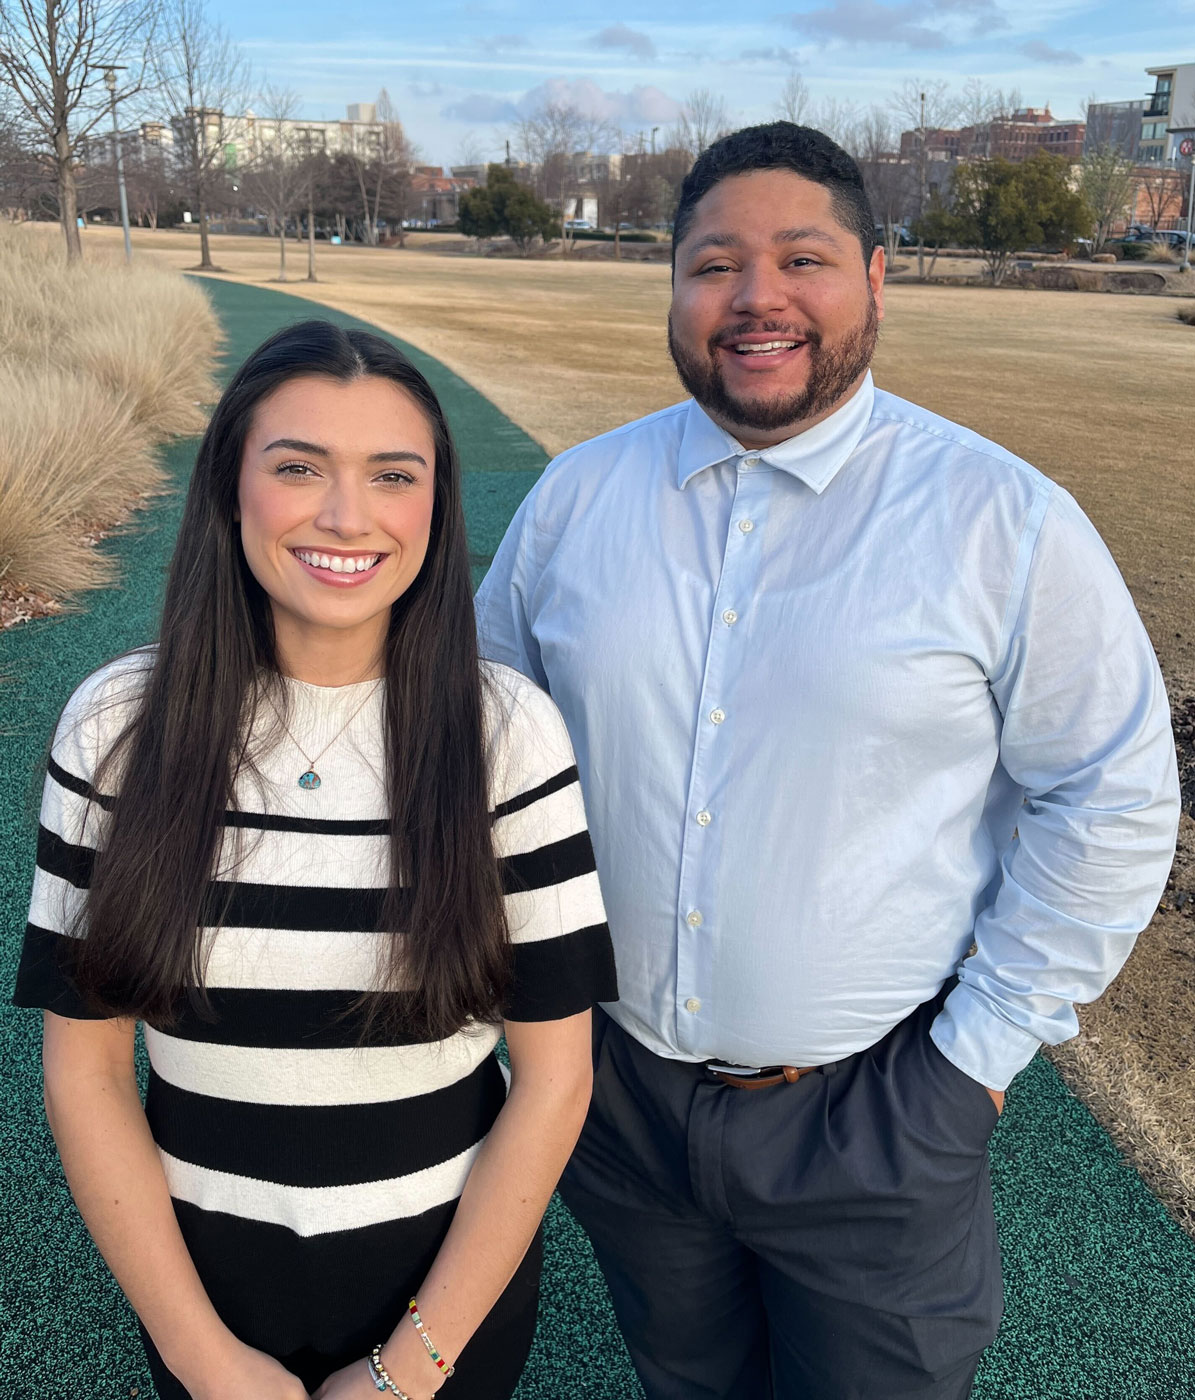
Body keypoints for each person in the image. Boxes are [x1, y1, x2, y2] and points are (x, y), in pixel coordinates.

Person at [474, 123, 1180, 1400]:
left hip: (876, 1116)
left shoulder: (1001, 522)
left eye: (803, 258)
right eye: (712, 264)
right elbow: (477, 744)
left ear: (874, 278)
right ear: (674, 284)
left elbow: (1111, 793)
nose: (756, 298)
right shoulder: (574, 501)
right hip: (619, 1095)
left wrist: (972, 1065)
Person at [14, 320, 616, 1400]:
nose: (348, 515)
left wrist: (408, 1366)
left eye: (394, 474)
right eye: (298, 467)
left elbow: (555, 1075)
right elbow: (88, 1067)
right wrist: (204, 1356)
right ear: (229, 488)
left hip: (447, 1312)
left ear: (434, 503)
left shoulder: (507, 734)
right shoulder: (116, 725)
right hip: (203, 1305)